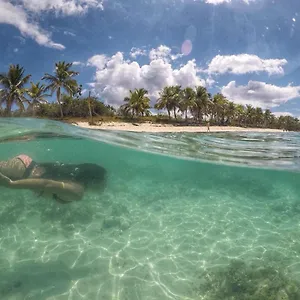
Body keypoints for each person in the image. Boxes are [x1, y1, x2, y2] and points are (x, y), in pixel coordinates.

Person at [0, 154, 107, 203]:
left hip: (25, 164)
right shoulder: (78, 191)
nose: (105, 186)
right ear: (94, 180)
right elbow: (46, 184)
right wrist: (11, 184)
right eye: (103, 181)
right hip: (22, 170)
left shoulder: (75, 179)